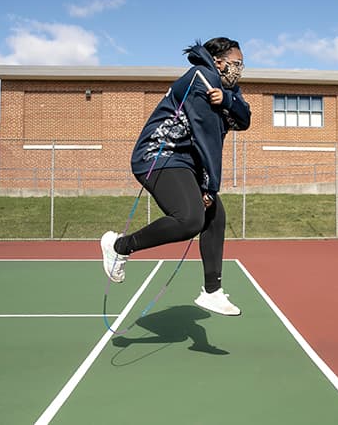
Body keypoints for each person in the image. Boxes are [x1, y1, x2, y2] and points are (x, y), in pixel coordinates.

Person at [100, 37, 251, 316]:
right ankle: (119, 246)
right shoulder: (202, 78)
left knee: (215, 216)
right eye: (236, 64)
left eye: (242, 64)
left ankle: (212, 291)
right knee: (190, 219)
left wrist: (228, 99)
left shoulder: (226, 88)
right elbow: (208, 139)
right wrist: (209, 187)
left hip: (185, 161)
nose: (240, 69)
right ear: (218, 62)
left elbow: (244, 118)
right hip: (158, 155)